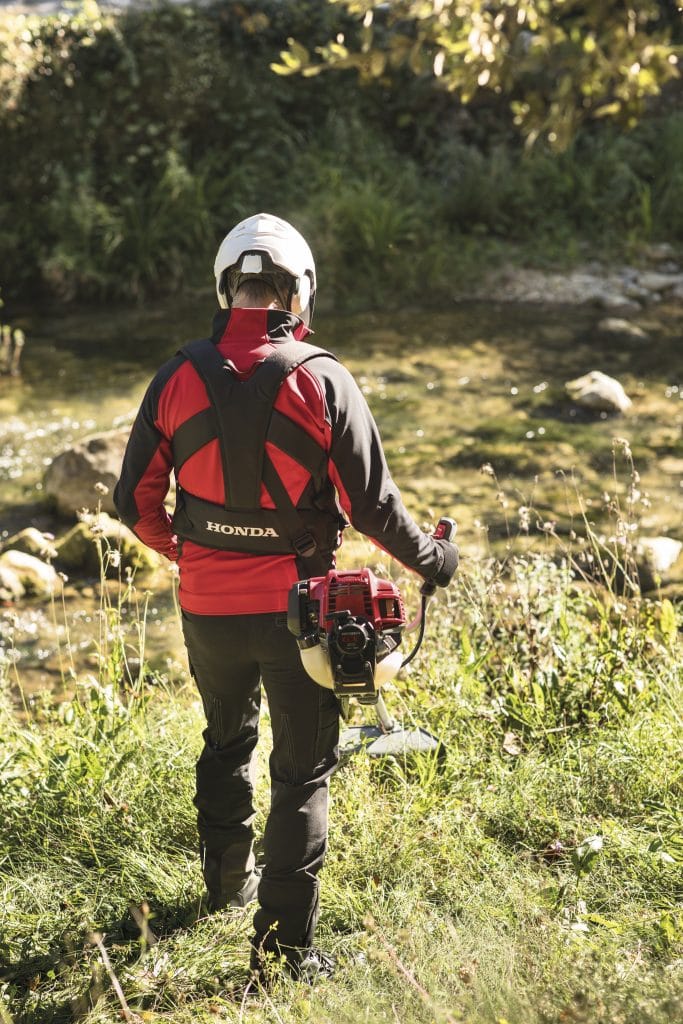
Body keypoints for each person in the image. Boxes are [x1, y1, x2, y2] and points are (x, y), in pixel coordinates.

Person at [113, 212, 458, 984]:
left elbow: (131, 502)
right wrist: (435, 557)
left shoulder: (175, 375)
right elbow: (372, 509)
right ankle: (283, 957)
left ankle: (223, 891)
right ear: (299, 292)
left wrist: (188, 552)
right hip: (300, 617)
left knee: (224, 741)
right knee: (301, 775)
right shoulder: (322, 376)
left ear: (225, 285)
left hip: (205, 609)